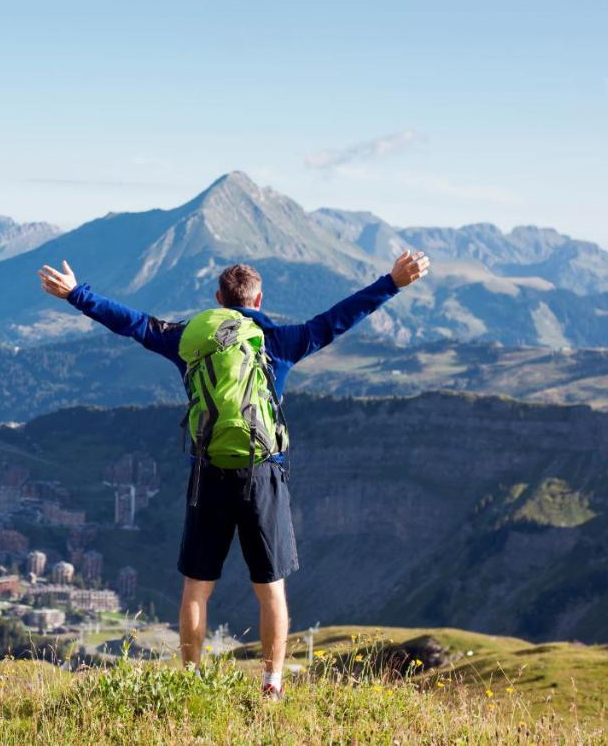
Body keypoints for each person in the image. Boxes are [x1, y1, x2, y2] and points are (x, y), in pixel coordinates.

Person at [37, 250, 430, 700]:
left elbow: (133, 323)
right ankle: (271, 684)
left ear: (218, 299)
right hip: (262, 477)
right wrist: (392, 281)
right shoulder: (278, 342)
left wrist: (76, 293)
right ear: (258, 300)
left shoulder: (188, 338)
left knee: (196, 589)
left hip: (208, 477)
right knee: (270, 589)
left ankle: (189, 682)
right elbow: (337, 319)